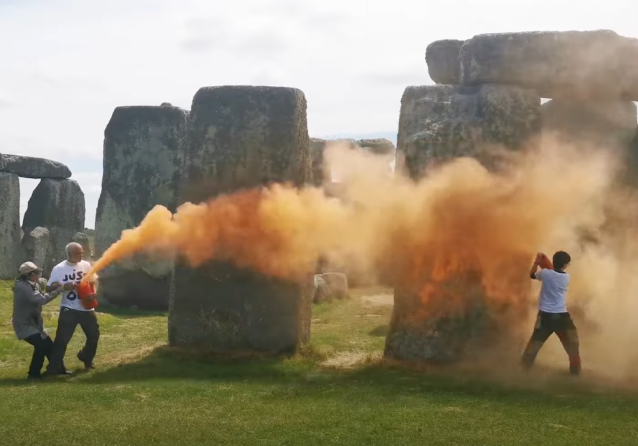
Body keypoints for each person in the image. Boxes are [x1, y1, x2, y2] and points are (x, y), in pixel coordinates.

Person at [522, 251, 581, 376]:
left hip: (544, 317)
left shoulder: (545, 274)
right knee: (573, 346)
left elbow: (532, 274)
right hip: (561, 317)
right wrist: (544, 260)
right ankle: (575, 376)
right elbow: (553, 271)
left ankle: (522, 372)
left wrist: (537, 262)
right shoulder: (566, 277)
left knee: (534, 346)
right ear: (565, 265)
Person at [46, 242, 100, 375]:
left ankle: (86, 358)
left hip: (87, 309)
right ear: (69, 254)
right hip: (69, 309)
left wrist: (93, 294)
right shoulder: (59, 268)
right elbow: (49, 287)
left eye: (82, 252)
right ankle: (54, 369)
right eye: (78, 253)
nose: (81, 254)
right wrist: (64, 286)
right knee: (62, 340)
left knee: (94, 335)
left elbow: (93, 282)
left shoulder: (86, 265)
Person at [12, 262, 72, 380]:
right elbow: (41, 299)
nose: (39, 275)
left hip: (35, 324)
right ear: (30, 275)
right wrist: (60, 289)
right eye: (37, 273)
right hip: (24, 324)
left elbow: (43, 284)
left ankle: (58, 369)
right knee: (42, 345)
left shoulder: (33, 283)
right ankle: (33, 374)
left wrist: (55, 285)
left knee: (49, 345)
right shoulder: (23, 287)